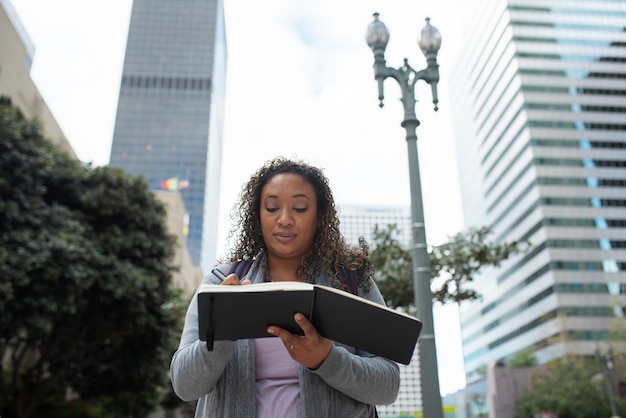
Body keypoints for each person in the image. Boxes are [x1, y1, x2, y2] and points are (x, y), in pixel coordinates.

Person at [170, 157, 400, 417]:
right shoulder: (221, 282)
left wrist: (326, 359)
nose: (285, 219)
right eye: (271, 208)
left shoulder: (351, 282)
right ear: (258, 215)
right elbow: (184, 386)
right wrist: (222, 331)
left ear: (319, 216)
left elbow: (388, 386)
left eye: (300, 208)